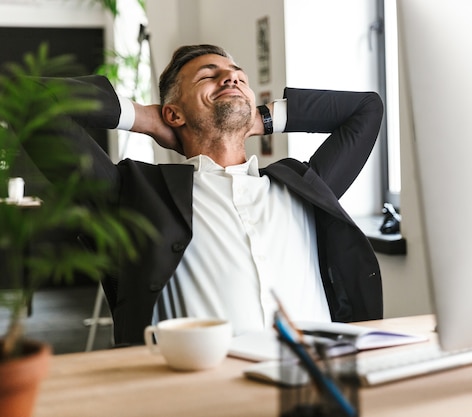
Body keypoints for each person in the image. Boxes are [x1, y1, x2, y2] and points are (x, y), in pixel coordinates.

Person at [28, 44, 384, 346]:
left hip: (315, 390)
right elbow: (27, 99)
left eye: (239, 77)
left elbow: (366, 109)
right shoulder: (136, 195)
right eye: (208, 76)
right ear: (174, 113)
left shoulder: (305, 186)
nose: (231, 78)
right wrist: (144, 119)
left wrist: (257, 117)